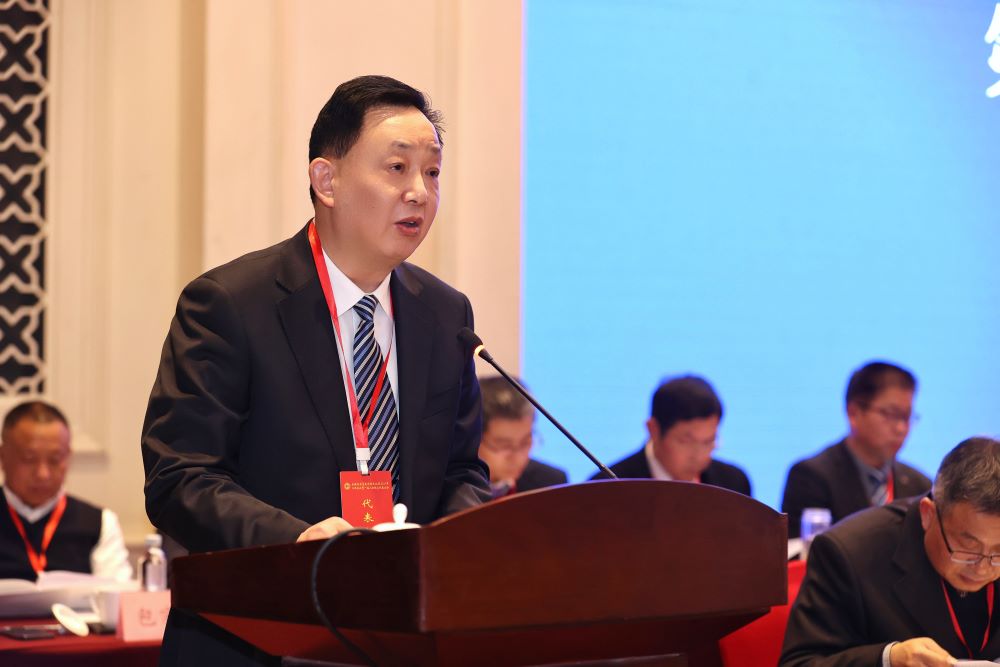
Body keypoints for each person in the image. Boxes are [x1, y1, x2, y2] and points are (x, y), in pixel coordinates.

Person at [142, 75, 491, 666]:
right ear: (326, 180)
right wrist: (299, 541)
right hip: (255, 636)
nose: (420, 192)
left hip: (397, 638)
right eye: (397, 168)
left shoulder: (445, 314)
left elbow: (462, 470)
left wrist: (449, 547)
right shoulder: (231, 304)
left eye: (432, 172)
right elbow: (180, 478)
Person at [781, 436, 1000, 666]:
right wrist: (888, 659)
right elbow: (800, 663)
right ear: (928, 514)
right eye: (968, 548)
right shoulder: (849, 553)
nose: (983, 568)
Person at [782, 361, 931, 538]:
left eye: (906, 417)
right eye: (892, 414)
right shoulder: (811, 478)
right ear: (854, 413)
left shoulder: (920, 486)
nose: (901, 428)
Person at [0, 401, 131, 581]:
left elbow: (115, 591)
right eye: (29, 459)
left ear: (68, 457)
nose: (43, 474)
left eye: (55, 460)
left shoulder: (100, 523)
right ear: (3, 456)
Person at [592, 375, 751, 495]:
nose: (698, 456)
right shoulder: (607, 488)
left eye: (709, 441)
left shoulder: (733, 483)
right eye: (685, 441)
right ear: (653, 430)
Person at [478, 375, 567, 497]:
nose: (517, 457)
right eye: (504, 445)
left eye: (525, 442)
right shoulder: (454, 489)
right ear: (473, 440)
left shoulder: (551, 484)